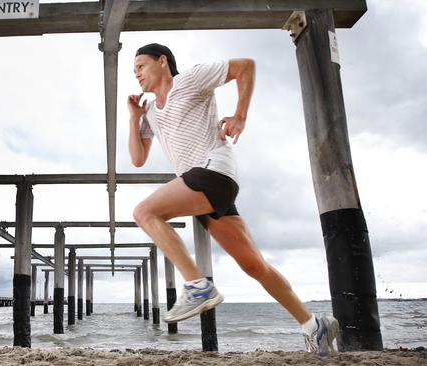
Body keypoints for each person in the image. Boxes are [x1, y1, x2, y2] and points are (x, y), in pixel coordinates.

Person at [127, 43, 338, 354]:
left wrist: (240, 115)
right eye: (134, 72)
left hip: (213, 170)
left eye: (141, 67)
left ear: (162, 61)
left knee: (145, 212)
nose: (137, 75)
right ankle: (314, 326)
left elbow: (245, 66)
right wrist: (134, 118)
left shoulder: (191, 79)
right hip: (201, 186)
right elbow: (137, 158)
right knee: (254, 266)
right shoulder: (149, 113)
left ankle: (197, 287)